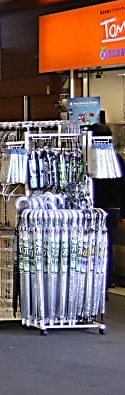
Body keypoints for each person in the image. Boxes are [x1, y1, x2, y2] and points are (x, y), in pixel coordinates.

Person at [89, 120, 125, 288]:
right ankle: (108, 278)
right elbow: (123, 186)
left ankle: (97, 277)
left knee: (94, 243)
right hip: (114, 208)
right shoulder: (117, 158)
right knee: (108, 243)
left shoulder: (90, 159)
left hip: (96, 207)